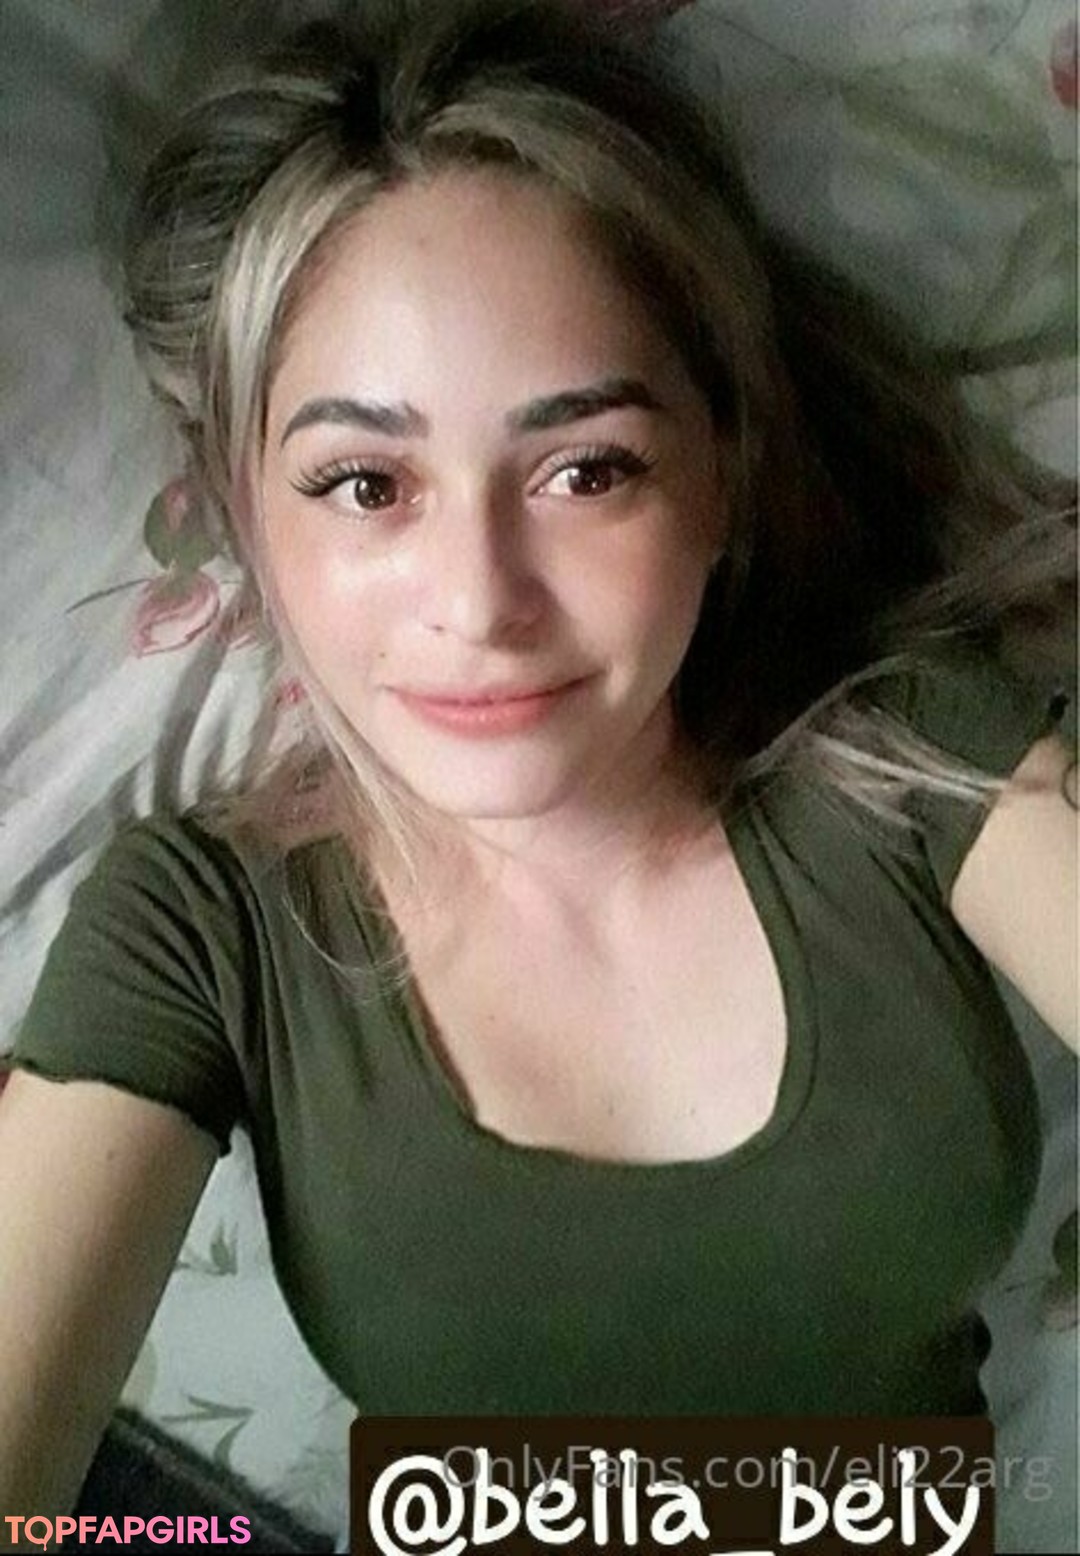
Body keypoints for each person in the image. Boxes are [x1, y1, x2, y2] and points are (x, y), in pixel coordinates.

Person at [0, 0, 1075, 1520]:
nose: (481, 602)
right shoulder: (202, 934)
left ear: (725, 473)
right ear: (248, 514)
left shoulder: (913, 751)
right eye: (364, 484)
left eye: (587, 468)